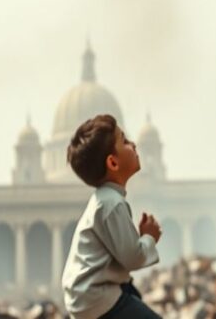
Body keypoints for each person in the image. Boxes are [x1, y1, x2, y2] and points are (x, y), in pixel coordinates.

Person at [61, 114, 163, 319]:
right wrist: (149, 237)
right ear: (113, 162)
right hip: (97, 297)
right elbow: (132, 258)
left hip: (86, 296)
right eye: (125, 141)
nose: (133, 144)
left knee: (132, 295)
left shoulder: (103, 200)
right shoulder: (112, 203)